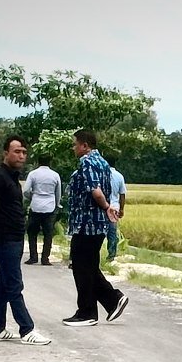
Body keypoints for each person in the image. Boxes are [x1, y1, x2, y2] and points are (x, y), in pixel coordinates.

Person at [0, 135, 51, 345]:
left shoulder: (12, 178)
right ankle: (27, 329)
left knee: (3, 283)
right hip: (5, 238)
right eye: (17, 151)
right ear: (6, 153)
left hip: (15, 237)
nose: (21, 156)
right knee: (14, 284)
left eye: (24, 152)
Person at [63, 129, 129, 327]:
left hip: (87, 223)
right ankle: (112, 300)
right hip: (98, 224)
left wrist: (107, 206)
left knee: (81, 266)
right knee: (88, 266)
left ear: (85, 145)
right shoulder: (103, 163)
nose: (73, 148)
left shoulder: (87, 162)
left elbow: (96, 191)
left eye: (75, 144)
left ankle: (88, 312)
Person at [22, 154, 61, 265]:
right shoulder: (55, 175)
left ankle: (33, 257)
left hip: (36, 205)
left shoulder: (33, 174)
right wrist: (57, 204)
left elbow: (26, 191)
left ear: (38, 162)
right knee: (48, 234)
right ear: (50, 162)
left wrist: (32, 197)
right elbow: (58, 193)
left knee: (32, 232)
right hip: (50, 207)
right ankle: (45, 258)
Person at [105, 162, 128, 261]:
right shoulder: (119, 176)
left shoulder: (101, 174)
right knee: (112, 233)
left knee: (98, 232)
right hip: (114, 209)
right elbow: (122, 195)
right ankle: (111, 255)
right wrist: (122, 209)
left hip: (102, 206)